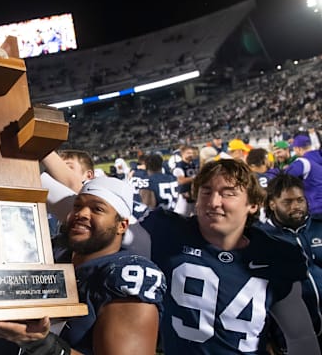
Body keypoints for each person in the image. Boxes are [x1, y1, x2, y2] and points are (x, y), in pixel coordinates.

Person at [133, 159, 320, 354]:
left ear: (253, 204)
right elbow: (116, 238)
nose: (213, 202)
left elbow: (300, 336)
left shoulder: (277, 254)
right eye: (206, 192)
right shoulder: (166, 232)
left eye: (228, 193)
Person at [0, 177, 167, 355]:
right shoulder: (53, 252)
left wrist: (43, 345)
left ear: (122, 226)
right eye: (77, 205)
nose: (81, 214)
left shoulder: (127, 273)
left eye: (97, 209)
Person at [255, 173, 322, 350]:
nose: (296, 206)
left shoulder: (319, 226)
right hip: (290, 337)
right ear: (272, 203)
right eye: (287, 202)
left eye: (300, 200)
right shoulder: (260, 238)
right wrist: (266, 339)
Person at [284, 134, 322, 215]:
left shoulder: (303, 162)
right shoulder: (318, 158)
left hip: (315, 209)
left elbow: (284, 178)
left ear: (298, 148)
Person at [172, 144, 198, 216]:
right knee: (183, 216)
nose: (191, 155)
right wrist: (195, 178)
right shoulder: (179, 165)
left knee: (196, 216)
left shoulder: (193, 164)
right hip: (183, 195)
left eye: (192, 153)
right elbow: (181, 181)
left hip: (193, 194)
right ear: (182, 154)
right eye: (188, 153)